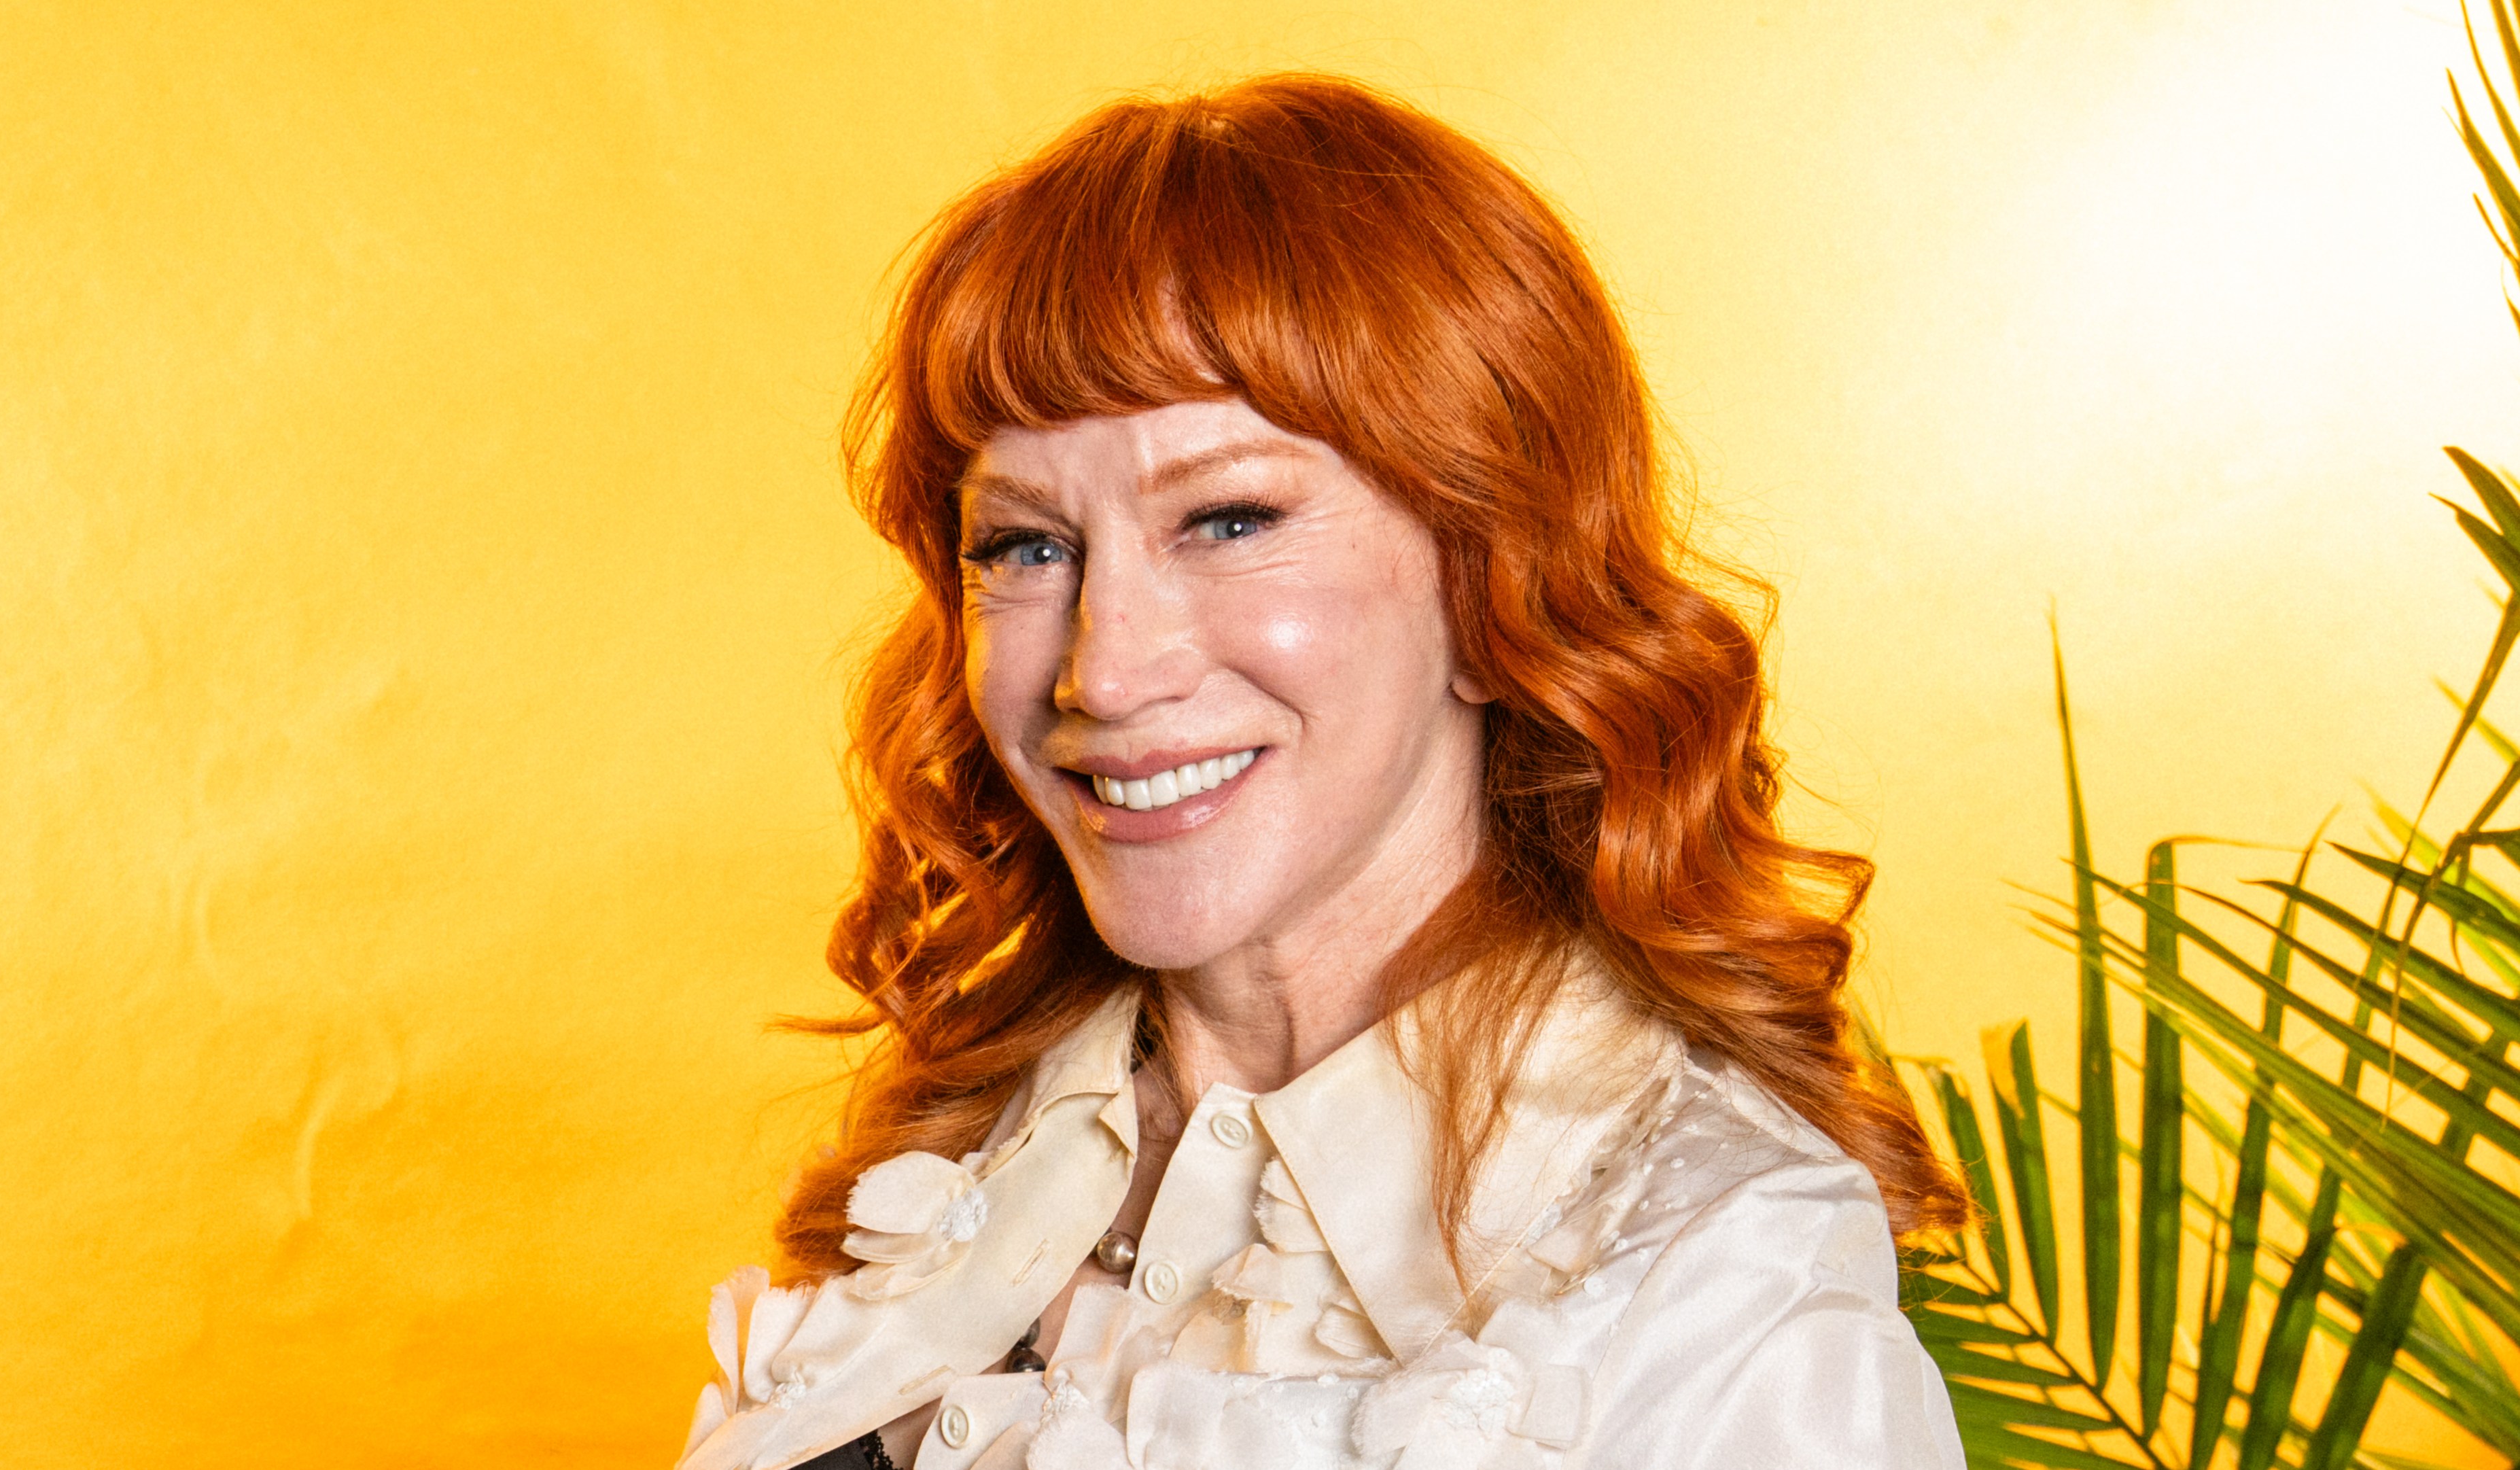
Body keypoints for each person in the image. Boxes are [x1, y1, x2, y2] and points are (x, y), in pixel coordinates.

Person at [680, 74, 1970, 1470]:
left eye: (1229, 519)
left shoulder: (1722, 1293)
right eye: (1026, 546)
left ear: (1494, 578)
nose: (1103, 673)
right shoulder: (964, 1160)